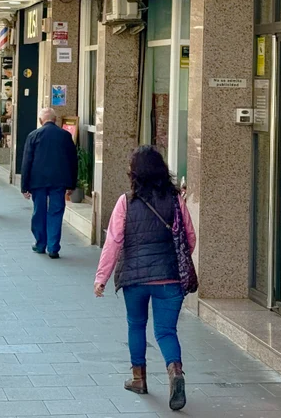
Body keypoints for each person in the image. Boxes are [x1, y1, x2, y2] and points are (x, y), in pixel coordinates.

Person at [94, 146, 195, 412]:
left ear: (134, 173)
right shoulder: (176, 201)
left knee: (136, 325)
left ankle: (139, 379)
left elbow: (113, 242)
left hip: (135, 279)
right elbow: (190, 239)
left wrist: (101, 277)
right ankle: (175, 373)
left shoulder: (126, 202)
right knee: (165, 331)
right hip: (169, 278)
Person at [21, 108, 77, 259]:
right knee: (56, 211)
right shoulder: (65, 136)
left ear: (41, 121)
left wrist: (24, 186)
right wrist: (72, 184)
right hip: (59, 181)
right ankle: (53, 247)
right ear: (55, 119)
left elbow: (27, 162)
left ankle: (40, 244)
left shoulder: (33, 135)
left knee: (39, 211)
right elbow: (73, 161)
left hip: (37, 181)